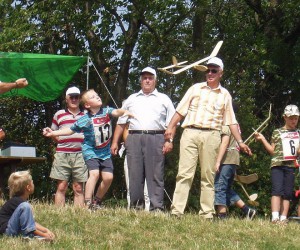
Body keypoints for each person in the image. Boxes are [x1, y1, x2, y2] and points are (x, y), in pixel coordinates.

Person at [164, 57, 252, 219]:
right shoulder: (195, 88)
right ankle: (176, 211)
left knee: (208, 176)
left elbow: (231, 121)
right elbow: (180, 111)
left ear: (221, 73)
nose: (210, 73)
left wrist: (240, 142)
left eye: (214, 70)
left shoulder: (225, 95)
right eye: (208, 70)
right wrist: (170, 127)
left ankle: (206, 213)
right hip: (190, 132)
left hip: (212, 135)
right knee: (184, 173)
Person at [43, 89, 134, 210]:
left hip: (105, 152)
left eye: (97, 95)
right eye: (93, 97)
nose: (97, 97)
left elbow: (117, 112)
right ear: (87, 105)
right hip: (90, 150)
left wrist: (125, 111)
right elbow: (70, 130)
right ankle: (87, 203)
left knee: (108, 178)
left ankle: (96, 201)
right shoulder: (85, 119)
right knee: (94, 174)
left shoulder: (107, 111)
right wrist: (53, 133)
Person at [111, 67, 175, 211]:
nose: (147, 80)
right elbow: (121, 122)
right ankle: (136, 208)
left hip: (157, 136)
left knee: (155, 174)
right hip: (134, 137)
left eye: (150, 78)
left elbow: (172, 124)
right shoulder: (131, 99)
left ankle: (156, 208)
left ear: (155, 80)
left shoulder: (164, 99)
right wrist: (115, 142)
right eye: (144, 77)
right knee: (135, 174)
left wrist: (169, 141)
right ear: (140, 80)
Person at [254, 104, 300, 224]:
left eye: (295, 118)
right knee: (277, 190)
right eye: (291, 118)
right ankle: (274, 217)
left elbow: (298, 151)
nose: (293, 121)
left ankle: (283, 218)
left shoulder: (299, 133)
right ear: (285, 117)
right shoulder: (277, 132)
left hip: (290, 166)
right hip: (277, 165)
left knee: (288, 192)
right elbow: (272, 151)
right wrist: (263, 139)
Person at [49, 86, 88, 207]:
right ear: (66, 99)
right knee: (62, 186)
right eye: (71, 97)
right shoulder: (59, 114)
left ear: (80, 99)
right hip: (62, 154)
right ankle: (59, 214)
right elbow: (52, 132)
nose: (74, 99)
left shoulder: (86, 116)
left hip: (81, 155)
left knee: (78, 188)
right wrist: (60, 141)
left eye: (77, 97)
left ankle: (79, 216)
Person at [214, 124, 256, 220]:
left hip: (226, 159)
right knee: (226, 188)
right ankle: (247, 210)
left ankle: (222, 216)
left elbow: (225, 142)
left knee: (220, 187)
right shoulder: (234, 122)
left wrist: (218, 161)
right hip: (233, 159)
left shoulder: (226, 123)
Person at [0, 170, 55, 241]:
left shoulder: (19, 202)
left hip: (13, 230)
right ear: (28, 187)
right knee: (25, 206)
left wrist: (46, 230)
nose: (33, 183)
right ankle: (32, 236)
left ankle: (31, 238)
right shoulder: (20, 203)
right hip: (7, 231)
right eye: (32, 181)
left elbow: (30, 223)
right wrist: (44, 234)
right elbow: (29, 227)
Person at [119, 123, 150, 211]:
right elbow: (126, 131)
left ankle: (149, 211)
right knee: (131, 184)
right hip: (132, 151)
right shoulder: (130, 113)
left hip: (150, 150)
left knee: (149, 187)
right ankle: (133, 210)